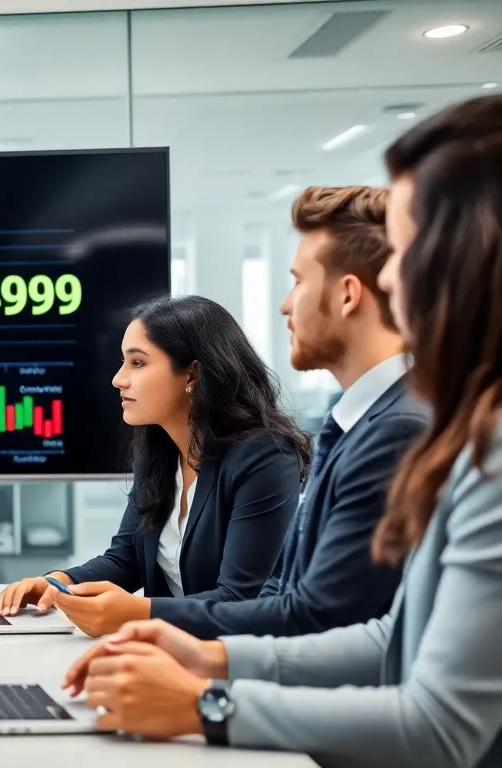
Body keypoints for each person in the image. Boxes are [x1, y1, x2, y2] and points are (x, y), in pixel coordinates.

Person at [64, 94, 502, 768]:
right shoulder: (390, 426)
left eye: (407, 249)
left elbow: (435, 720)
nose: (390, 275)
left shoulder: (450, 442)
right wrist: (207, 655)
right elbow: (388, 637)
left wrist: (203, 700)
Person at [147, 186, 428, 640]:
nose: (285, 304)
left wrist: (148, 621)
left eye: (299, 281)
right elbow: (283, 591)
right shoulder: (357, 422)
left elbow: (315, 616)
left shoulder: (397, 430)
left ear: (348, 295)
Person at [0, 295, 310, 637]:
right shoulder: (161, 451)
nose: (118, 379)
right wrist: (60, 582)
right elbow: (125, 559)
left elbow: (241, 600)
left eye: (137, 363)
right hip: (168, 651)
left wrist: (140, 613)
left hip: (234, 658)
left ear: (192, 374)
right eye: (123, 362)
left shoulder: (265, 457)